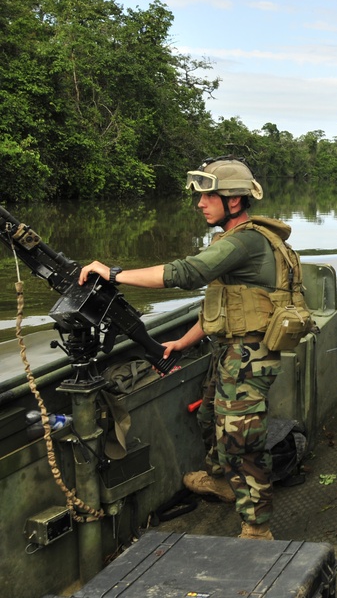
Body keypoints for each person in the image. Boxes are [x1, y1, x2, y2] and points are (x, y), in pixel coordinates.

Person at [78, 157, 297, 541]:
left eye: (208, 196)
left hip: (249, 357)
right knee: (211, 415)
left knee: (242, 441)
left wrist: (112, 273)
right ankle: (225, 483)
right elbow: (227, 308)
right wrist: (183, 340)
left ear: (232, 200)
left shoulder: (245, 240)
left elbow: (186, 273)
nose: (199, 203)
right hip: (232, 351)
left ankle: (257, 528)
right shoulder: (233, 240)